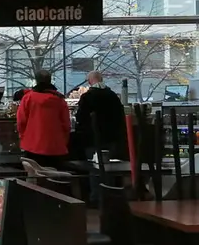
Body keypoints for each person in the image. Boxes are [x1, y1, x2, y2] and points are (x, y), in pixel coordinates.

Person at [74, 71, 125, 202]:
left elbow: (80, 117)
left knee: (95, 168)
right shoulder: (113, 96)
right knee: (110, 168)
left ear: (90, 81)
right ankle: (111, 197)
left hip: (92, 138)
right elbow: (120, 117)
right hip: (111, 137)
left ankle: (96, 198)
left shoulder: (87, 97)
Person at [17, 70, 71, 168]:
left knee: (35, 176)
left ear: (36, 81)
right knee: (55, 177)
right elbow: (66, 124)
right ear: (50, 80)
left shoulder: (28, 98)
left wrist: (23, 137)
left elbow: (21, 121)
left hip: (32, 145)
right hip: (56, 146)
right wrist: (63, 141)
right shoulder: (59, 99)